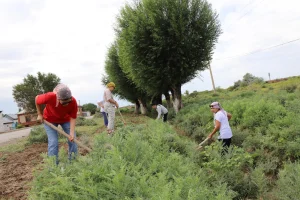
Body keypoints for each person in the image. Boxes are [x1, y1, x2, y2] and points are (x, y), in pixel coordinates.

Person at [35, 83, 78, 164]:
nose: (67, 104)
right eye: (64, 103)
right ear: (58, 99)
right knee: (53, 142)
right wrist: (39, 114)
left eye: (69, 101)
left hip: (65, 120)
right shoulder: (50, 96)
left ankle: (73, 162)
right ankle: (54, 166)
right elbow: (37, 98)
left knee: (73, 140)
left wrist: (71, 133)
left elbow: (73, 117)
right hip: (49, 120)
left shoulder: (73, 101)